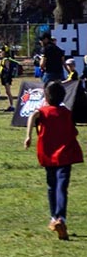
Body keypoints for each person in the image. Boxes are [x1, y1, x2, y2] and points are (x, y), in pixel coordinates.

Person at [24, 79, 83, 240]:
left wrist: (28, 135)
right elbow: (73, 132)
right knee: (62, 187)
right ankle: (60, 218)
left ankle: (53, 217)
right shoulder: (66, 113)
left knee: (51, 186)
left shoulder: (43, 111)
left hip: (48, 154)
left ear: (47, 97)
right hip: (65, 154)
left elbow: (32, 116)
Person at [0, 46, 22, 110]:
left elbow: (7, 69)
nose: (0, 53)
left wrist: (1, 64)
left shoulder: (6, 59)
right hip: (4, 77)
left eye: (1, 52)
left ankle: (12, 105)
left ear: (4, 52)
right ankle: (10, 105)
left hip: (6, 77)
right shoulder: (3, 59)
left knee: (8, 91)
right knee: (7, 92)